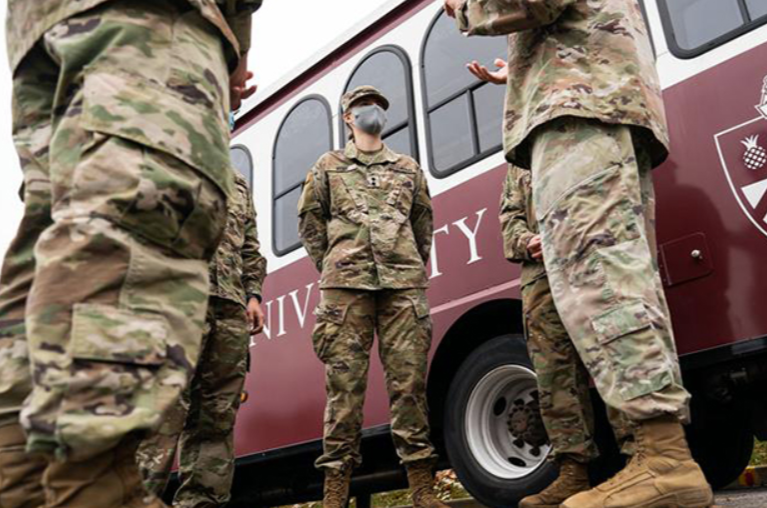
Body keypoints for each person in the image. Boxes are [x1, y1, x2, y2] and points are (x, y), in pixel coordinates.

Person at [0, 1, 262, 507]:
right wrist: (236, 44)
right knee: (145, 208)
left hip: (46, 21)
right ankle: (92, 490)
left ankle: (23, 489)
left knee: (57, 240)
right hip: (150, 14)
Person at [444, 1, 714, 507]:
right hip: (592, 94)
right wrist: (528, 69)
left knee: (602, 278)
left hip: (580, 106)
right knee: (613, 275)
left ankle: (663, 461)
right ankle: (654, 460)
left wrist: (462, 7)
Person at [297, 86, 446, 508]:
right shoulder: (327, 167)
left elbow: (423, 225)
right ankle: (335, 494)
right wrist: (336, 266)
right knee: (343, 391)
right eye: (364, 107)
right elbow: (310, 224)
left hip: (403, 288)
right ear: (348, 118)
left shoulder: (407, 168)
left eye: (379, 106)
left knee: (410, 387)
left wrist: (410, 268)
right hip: (346, 290)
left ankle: (422, 488)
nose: (372, 112)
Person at [499, 164, 634, 508]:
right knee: (554, 376)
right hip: (541, 281)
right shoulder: (517, 165)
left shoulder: (575, 140)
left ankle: (639, 460)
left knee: (615, 356)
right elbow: (510, 216)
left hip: (593, 262)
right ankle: (573, 473)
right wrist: (526, 241)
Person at [136, 170, 266, 508]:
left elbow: (250, 247)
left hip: (230, 310)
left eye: (232, 113)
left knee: (217, 418)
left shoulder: (238, 184)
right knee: (162, 414)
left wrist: (253, 295)